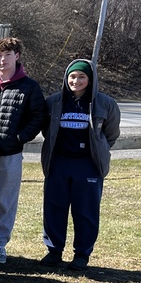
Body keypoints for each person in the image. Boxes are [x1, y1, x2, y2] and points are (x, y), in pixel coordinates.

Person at [39, 59, 121, 271]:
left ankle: (82, 254)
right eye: (72, 76)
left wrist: (97, 150)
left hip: (87, 165)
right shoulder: (55, 102)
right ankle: (54, 250)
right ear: (66, 78)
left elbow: (110, 135)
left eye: (82, 77)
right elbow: (47, 130)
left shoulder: (104, 103)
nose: (76, 81)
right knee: (54, 208)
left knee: (85, 211)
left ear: (90, 79)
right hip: (59, 163)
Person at [0, 37, 46, 264]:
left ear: (17, 56)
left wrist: (20, 137)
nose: (2, 60)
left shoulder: (29, 86)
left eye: (7, 55)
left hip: (10, 155)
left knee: (7, 202)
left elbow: (38, 116)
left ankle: (0, 245)